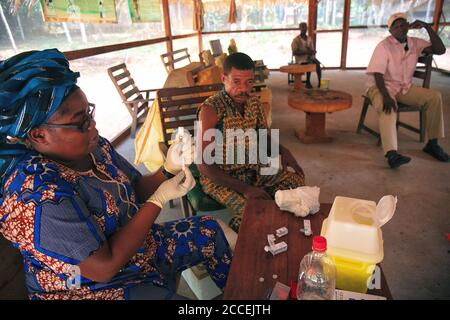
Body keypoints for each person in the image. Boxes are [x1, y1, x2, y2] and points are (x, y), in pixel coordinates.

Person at [0, 49, 233, 300]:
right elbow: (104, 267)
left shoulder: (95, 147)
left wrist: (167, 169)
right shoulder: (36, 194)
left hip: (136, 251)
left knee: (211, 229)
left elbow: (134, 188)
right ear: (38, 135)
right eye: (80, 122)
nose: (93, 126)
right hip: (86, 288)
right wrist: (158, 201)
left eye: (89, 113)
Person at [197, 52, 305, 233]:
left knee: (296, 183)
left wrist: (283, 150)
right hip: (221, 179)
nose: (243, 89)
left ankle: (275, 228)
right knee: (256, 212)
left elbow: (264, 137)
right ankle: (235, 243)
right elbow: (203, 165)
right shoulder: (211, 109)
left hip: (253, 171)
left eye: (249, 82)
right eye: (236, 81)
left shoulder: (254, 104)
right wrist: (246, 189)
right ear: (224, 79)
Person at [366, 13, 448, 168]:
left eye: (403, 24)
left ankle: (432, 144)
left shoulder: (415, 43)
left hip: (404, 88)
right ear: (390, 31)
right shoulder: (384, 46)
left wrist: (426, 27)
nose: (400, 29)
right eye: (395, 27)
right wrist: (386, 96)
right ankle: (392, 154)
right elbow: (377, 73)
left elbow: (440, 49)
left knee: (434, 97)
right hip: (380, 86)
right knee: (388, 107)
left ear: (409, 26)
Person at [291, 22, 322, 89]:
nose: (304, 29)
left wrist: (313, 52)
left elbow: (312, 50)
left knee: (318, 64)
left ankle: (320, 82)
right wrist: (306, 52)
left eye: (305, 28)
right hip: (300, 59)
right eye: (303, 28)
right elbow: (295, 52)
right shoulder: (296, 40)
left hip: (309, 57)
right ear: (300, 28)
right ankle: (308, 82)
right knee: (309, 63)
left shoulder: (309, 39)